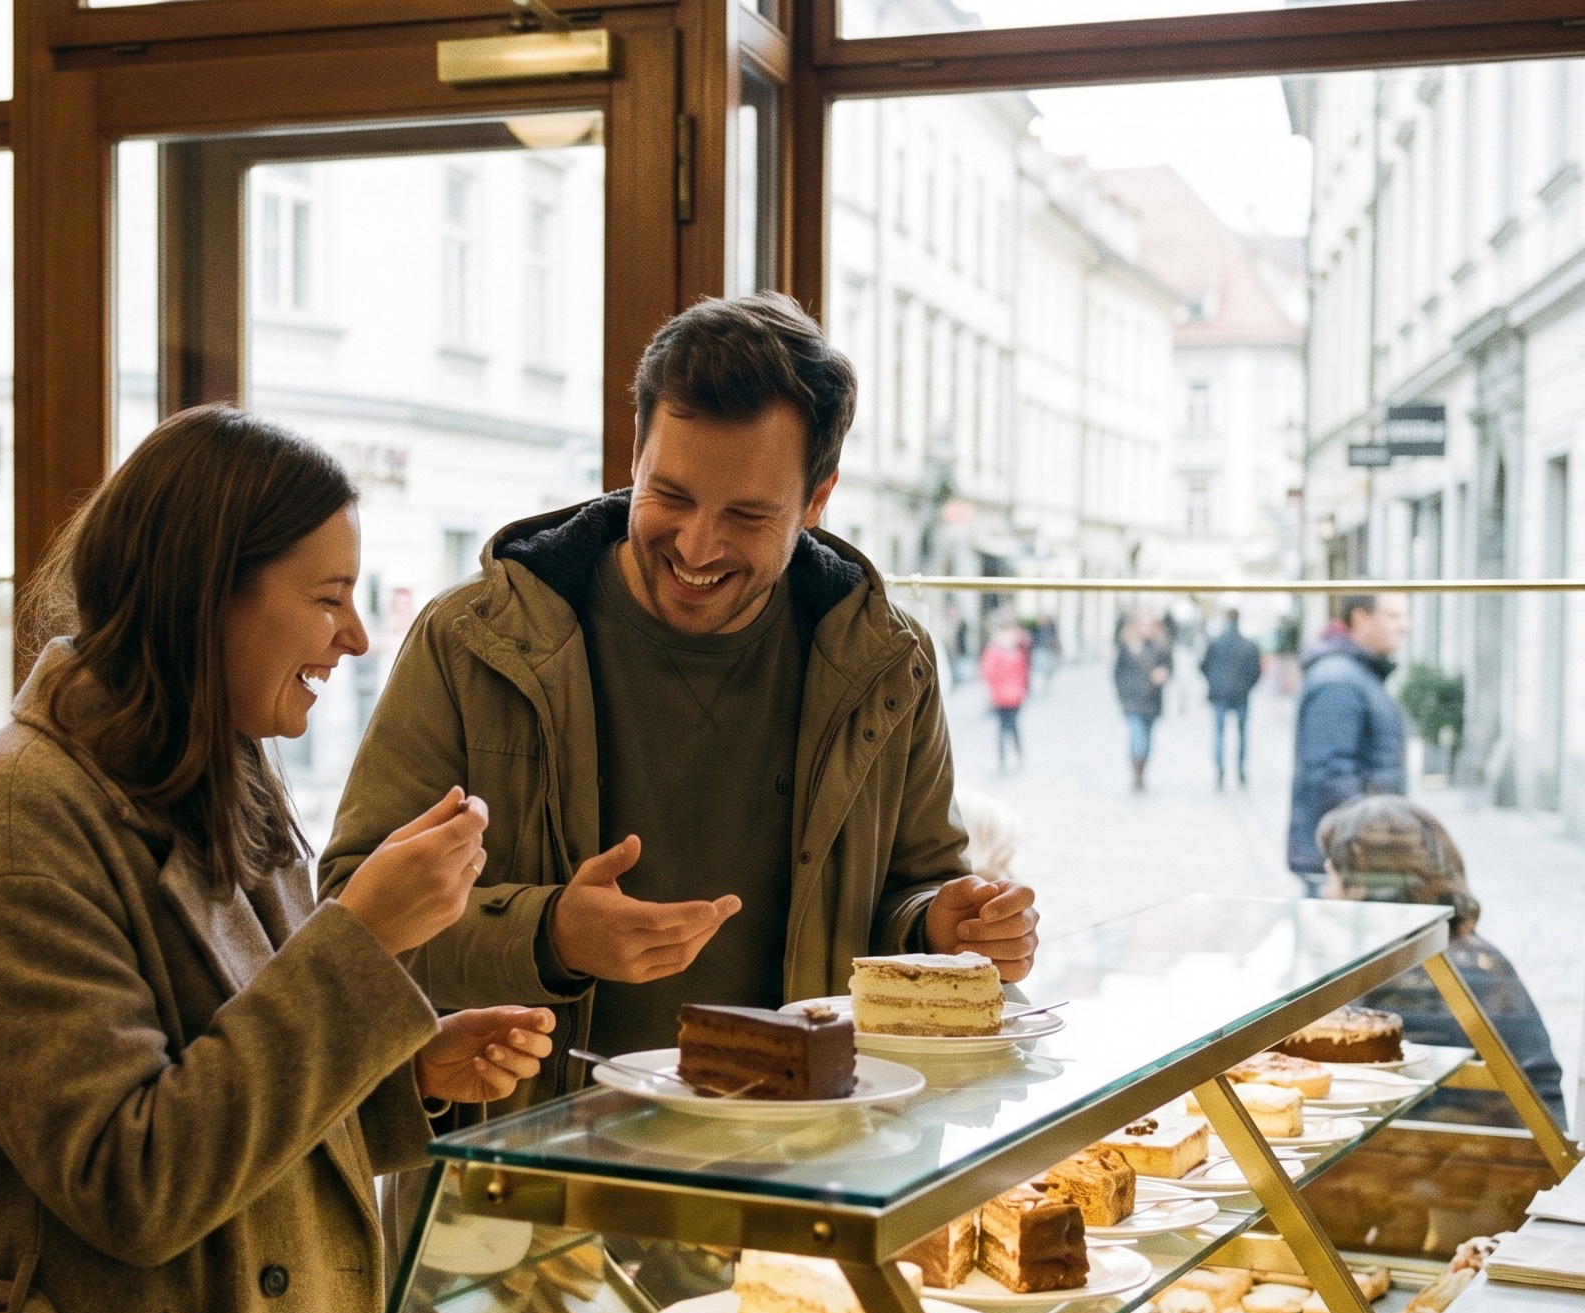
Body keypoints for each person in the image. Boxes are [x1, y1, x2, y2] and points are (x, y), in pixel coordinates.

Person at [0, 406, 557, 1313]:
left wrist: (410, 1069)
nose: (352, 640)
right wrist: (362, 940)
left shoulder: (220, 777)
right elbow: (132, 1178)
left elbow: (241, 1063)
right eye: (327, 596)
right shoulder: (13, 821)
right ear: (206, 591)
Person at [318, 293, 1038, 1089]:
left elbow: (916, 888)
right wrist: (548, 934)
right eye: (673, 496)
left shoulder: (888, 661)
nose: (698, 545)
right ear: (634, 459)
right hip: (526, 1172)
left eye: (748, 515)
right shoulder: (470, 640)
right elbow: (352, 912)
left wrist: (943, 927)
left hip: (802, 1152)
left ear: (818, 499)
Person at [1315, 795, 1567, 1127]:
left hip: (1455, 1160)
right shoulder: (1474, 956)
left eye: (1332, 877)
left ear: (1364, 885)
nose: (1324, 894)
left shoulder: (1400, 975)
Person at [1288, 593, 1410, 894]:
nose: (1405, 625)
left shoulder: (1355, 674)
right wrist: (1359, 858)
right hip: (1341, 865)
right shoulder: (1338, 680)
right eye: (1393, 616)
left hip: (1352, 857)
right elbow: (1331, 777)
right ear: (1360, 619)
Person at [1201, 608, 1264, 789]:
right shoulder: (1247, 644)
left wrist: (1214, 683)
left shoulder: (1216, 642)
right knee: (1241, 735)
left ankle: (1220, 770)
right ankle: (1240, 769)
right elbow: (1256, 671)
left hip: (1221, 694)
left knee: (1220, 734)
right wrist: (1246, 686)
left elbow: (1204, 665)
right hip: (1240, 694)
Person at [1112, 612, 1170, 791]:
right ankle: (1136, 773)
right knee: (1137, 736)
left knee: (1147, 737)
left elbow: (1169, 668)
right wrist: (1123, 695)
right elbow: (1118, 674)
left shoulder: (1161, 647)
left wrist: (1163, 674)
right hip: (1133, 699)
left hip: (1152, 700)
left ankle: (1142, 771)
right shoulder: (1128, 646)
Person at [979, 621, 1030, 771]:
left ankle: (1003, 759)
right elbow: (1024, 671)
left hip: (1000, 696)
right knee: (1014, 726)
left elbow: (987, 672)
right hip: (1016, 695)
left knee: (1002, 727)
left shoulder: (994, 650)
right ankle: (1019, 754)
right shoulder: (1018, 647)